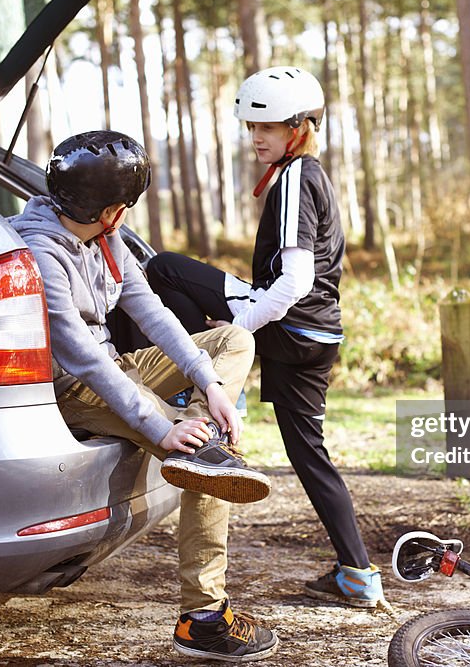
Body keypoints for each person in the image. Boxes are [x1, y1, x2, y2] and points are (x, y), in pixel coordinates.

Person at [10, 130, 278, 662]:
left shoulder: (104, 239)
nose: (127, 214)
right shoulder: (39, 253)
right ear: (111, 209)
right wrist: (162, 428)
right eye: (127, 206)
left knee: (233, 339)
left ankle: (205, 440)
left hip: (117, 367)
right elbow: (83, 359)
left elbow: (151, 312)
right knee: (203, 458)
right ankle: (203, 618)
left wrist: (211, 387)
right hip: (76, 386)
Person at [145, 66, 386, 609]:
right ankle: (358, 575)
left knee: (164, 269)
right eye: (252, 127)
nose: (256, 137)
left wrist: (238, 327)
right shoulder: (306, 174)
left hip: (290, 324)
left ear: (299, 128)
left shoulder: (297, 176)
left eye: (269, 128)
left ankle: (194, 398)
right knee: (309, 454)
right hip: (318, 335)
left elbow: (296, 280)